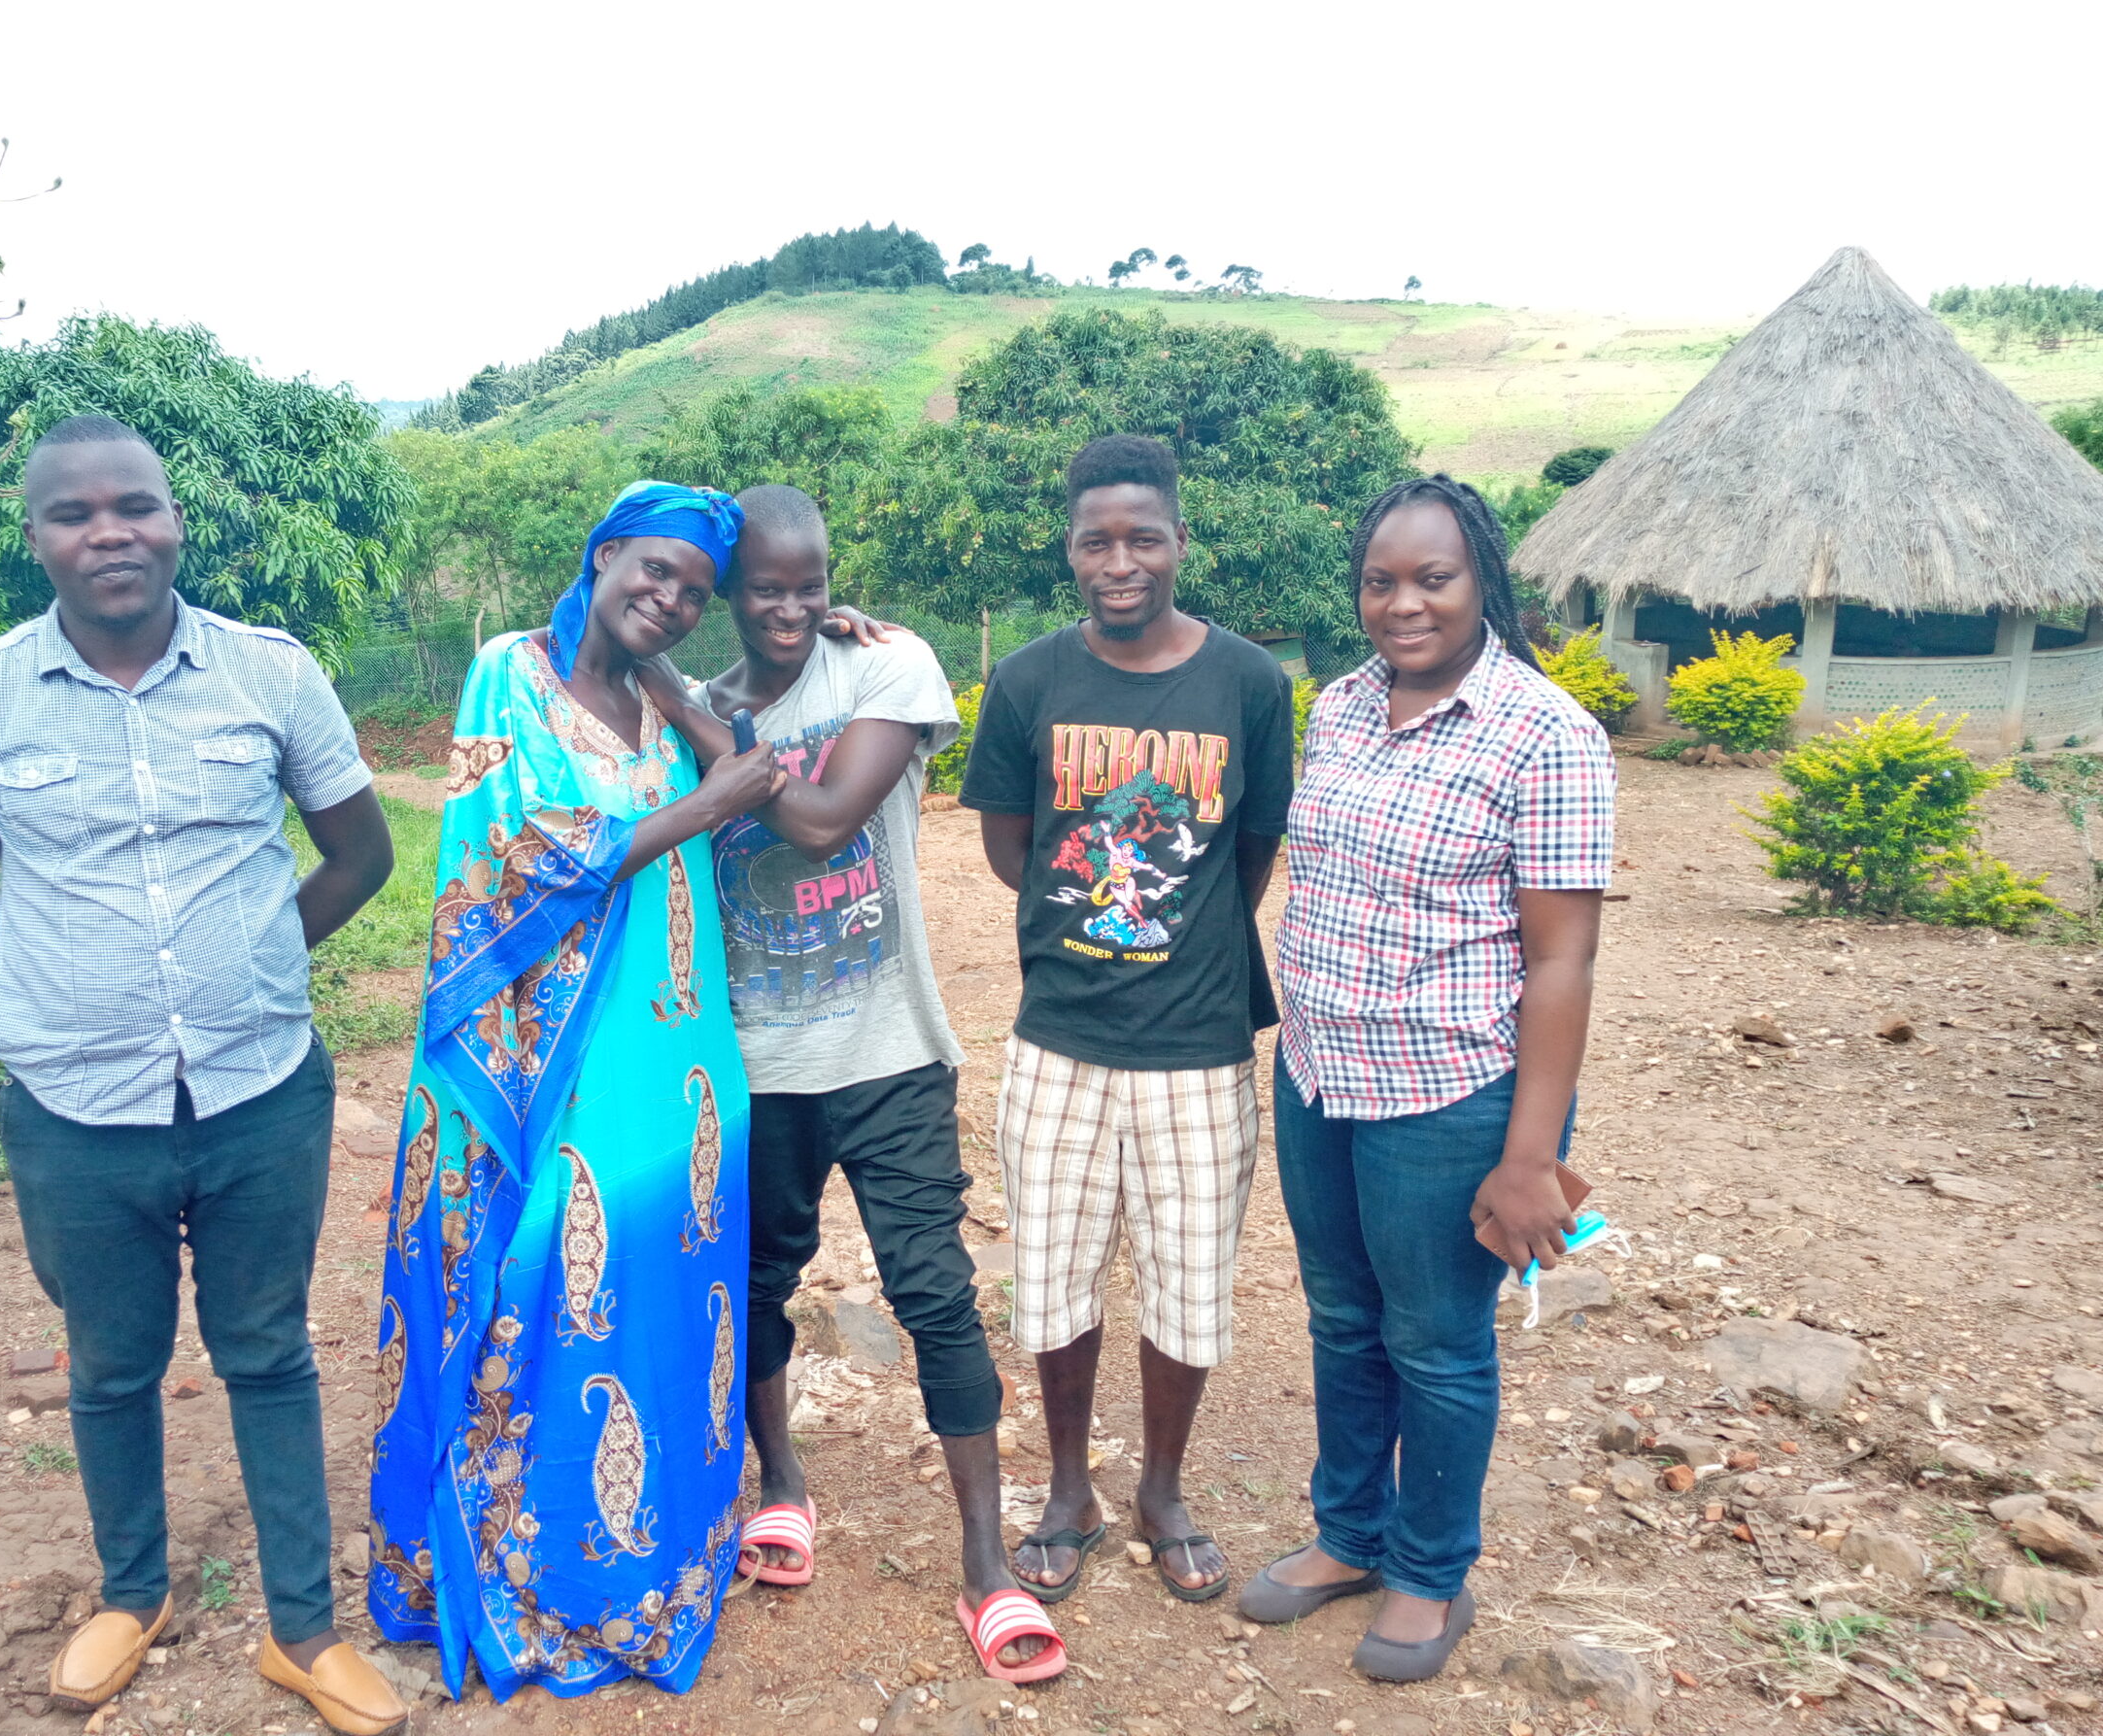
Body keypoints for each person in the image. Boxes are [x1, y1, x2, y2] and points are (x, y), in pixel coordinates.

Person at [0, 415, 410, 1734]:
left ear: (176, 519)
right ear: (37, 537)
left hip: (258, 1091)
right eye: (75, 513)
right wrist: (71, 983)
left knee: (268, 1352)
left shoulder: (270, 676)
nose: (109, 530)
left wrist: (248, 960)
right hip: (75, 1112)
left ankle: (303, 1633)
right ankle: (133, 1594)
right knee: (110, 1365)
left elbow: (361, 857)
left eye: (135, 505)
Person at [638, 483, 1067, 1685]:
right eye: (764, 588)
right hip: (756, 1064)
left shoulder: (888, 667)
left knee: (934, 1290)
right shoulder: (696, 704)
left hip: (887, 1052)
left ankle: (985, 1562)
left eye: (809, 583)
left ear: (834, 577)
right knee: (760, 1278)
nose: (790, 607)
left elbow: (823, 822)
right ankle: (782, 1487)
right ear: (729, 593)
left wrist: (700, 717)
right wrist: (686, 703)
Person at [365, 482, 784, 1703]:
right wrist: (700, 806)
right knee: (544, 1286)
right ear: (601, 556)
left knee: (659, 1287)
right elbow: (517, 850)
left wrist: (676, 692)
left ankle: (647, 1553)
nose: (669, 599)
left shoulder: (660, 697)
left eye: (694, 593)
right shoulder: (510, 670)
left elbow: (746, 774)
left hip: (678, 1048)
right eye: (650, 573)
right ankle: (534, 1563)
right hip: (551, 1052)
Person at [1238, 474, 1611, 1684]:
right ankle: (1349, 1536)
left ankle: (1429, 1570)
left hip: (1446, 1094)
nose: (1404, 604)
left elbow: (1560, 959)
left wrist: (1526, 1153)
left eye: (1432, 579)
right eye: (1380, 582)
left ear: (1479, 581)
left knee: (1439, 1342)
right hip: (1316, 1073)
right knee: (1343, 1321)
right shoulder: (1340, 708)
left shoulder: (1544, 732)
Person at [957, 433, 1292, 1609]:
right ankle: (1064, 1490)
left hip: (1198, 1050)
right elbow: (1012, 847)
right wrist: (1095, 914)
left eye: (1141, 537)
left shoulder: (1248, 684)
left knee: (1189, 1287)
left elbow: (1248, 857)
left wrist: (1174, 934)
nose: (1119, 560)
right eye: (1096, 540)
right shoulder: (1030, 681)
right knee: (1050, 1282)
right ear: (1071, 547)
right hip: (1056, 1039)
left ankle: (1160, 1487)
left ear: (1178, 542)